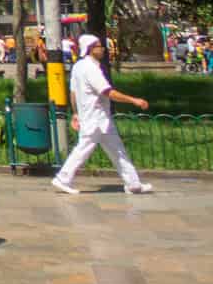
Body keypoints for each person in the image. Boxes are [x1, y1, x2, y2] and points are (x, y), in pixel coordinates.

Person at [52, 34, 154, 196]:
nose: (103, 48)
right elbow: (107, 92)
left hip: (98, 118)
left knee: (117, 150)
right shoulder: (90, 69)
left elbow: (73, 92)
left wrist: (76, 113)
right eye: (99, 46)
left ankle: (133, 184)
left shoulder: (78, 66)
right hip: (95, 118)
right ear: (90, 49)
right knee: (83, 150)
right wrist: (133, 100)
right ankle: (63, 178)